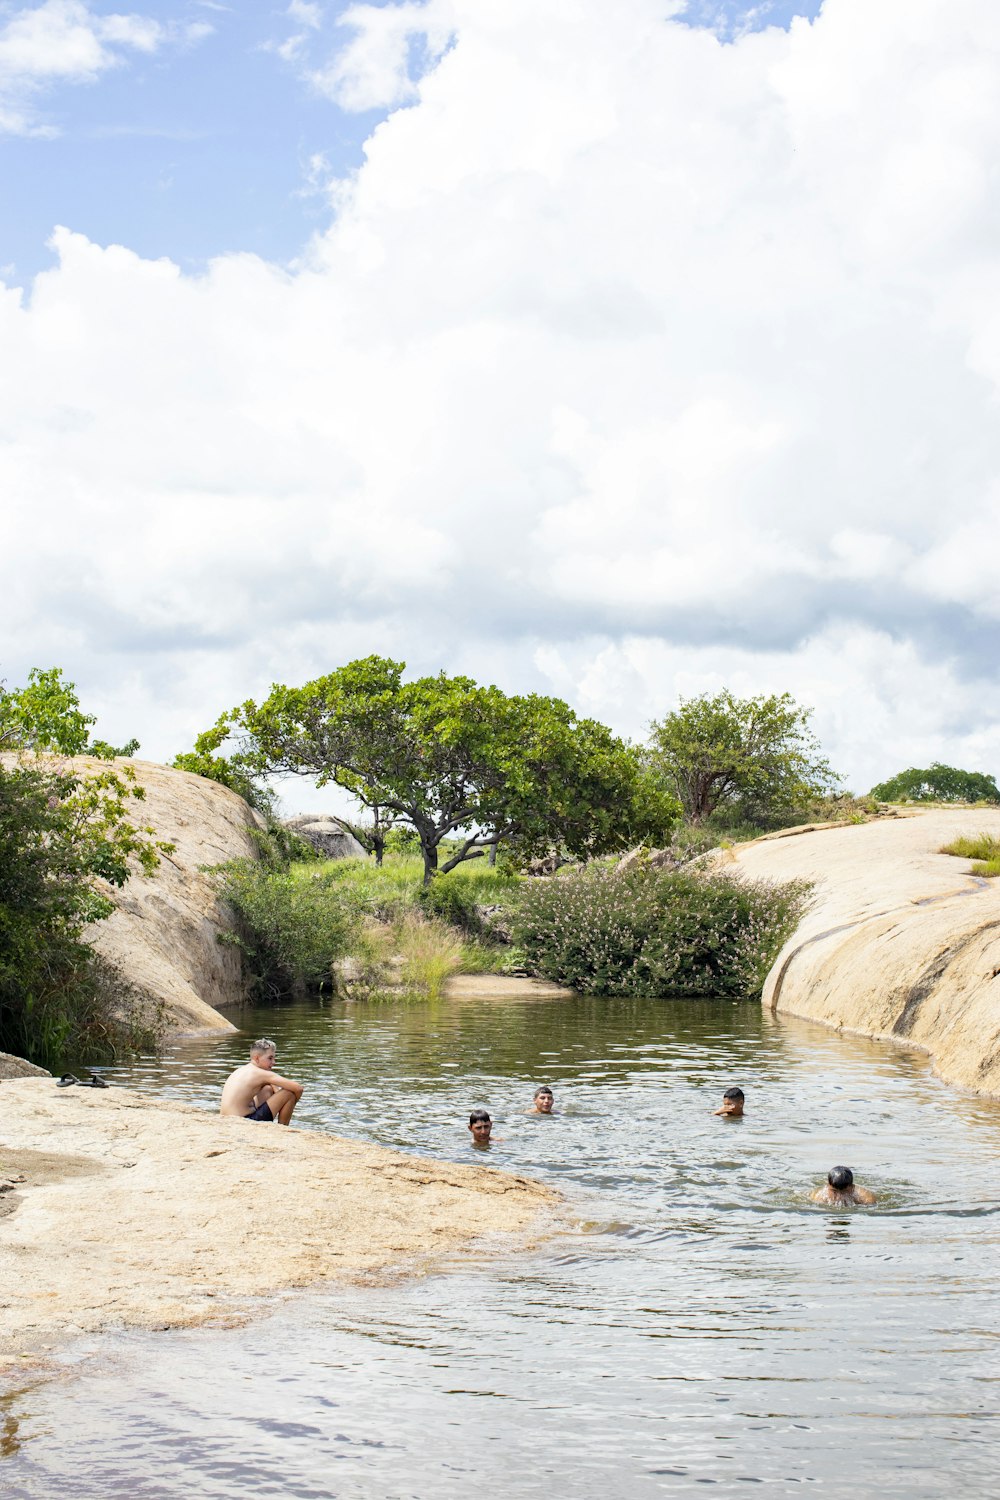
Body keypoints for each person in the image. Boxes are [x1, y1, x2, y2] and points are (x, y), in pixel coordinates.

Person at [220, 1038, 303, 1125]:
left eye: (274, 1058)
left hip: (227, 1120)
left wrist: (278, 1095)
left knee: (268, 1089)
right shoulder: (260, 1073)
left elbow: (275, 1090)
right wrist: (292, 1102)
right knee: (289, 1093)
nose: (274, 1062)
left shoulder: (244, 1069)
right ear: (257, 1058)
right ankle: (283, 1128)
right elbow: (298, 1088)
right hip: (243, 1122)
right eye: (270, 1058)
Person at [811, 1165, 877, 1206]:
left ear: (852, 1188)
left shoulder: (865, 1198)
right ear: (828, 1186)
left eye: (844, 1192)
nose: (839, 1196)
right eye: (834, 1191)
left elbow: (871, 1205)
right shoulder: (818, 1197)